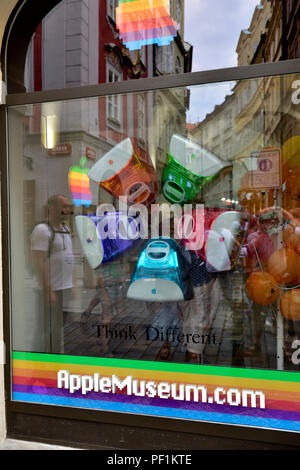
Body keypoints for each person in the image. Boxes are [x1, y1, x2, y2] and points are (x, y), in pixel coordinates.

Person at [31, 194, 75, 353]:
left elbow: (69, 257)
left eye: (68, 207)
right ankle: (38, 362)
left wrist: (73, 283)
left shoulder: (66, 229)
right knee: (44, 328)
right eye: (63, 207)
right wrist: (48, 290)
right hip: (50, 289)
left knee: (59, 327)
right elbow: (39, 262)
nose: (67, 210)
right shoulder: (42, 230)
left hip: (64, 287)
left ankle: (55, 357)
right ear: (52, 208)